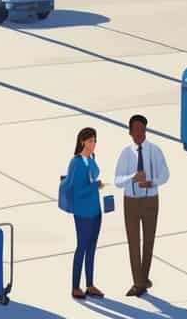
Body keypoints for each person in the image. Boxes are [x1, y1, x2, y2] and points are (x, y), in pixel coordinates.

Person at [113, 114, 169, 297]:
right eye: (135, 130)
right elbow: (117, 180)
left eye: (142, 129)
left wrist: (152, 182)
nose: (139, 133)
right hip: (131, 201)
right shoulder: (125, 154)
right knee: (134, 242)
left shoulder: (155, 151)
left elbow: (165, 175)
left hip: (151, 200)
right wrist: (132, 178)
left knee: (149, 241)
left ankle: (143, 278)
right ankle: (138, 282)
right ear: (130, 132)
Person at [66, 127, 104, 300]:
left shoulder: (90, 159)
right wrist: (94, 186)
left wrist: (92, 158)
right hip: (83, 213)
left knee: (92, 248)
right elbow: (74, 189)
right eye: (90, 141)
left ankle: (90, 284)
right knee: (81, 247)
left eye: (95, 141)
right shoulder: (76, 162)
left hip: (95, 210)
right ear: (82, 141)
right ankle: (75, 286)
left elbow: (95, 173)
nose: (93, 144)